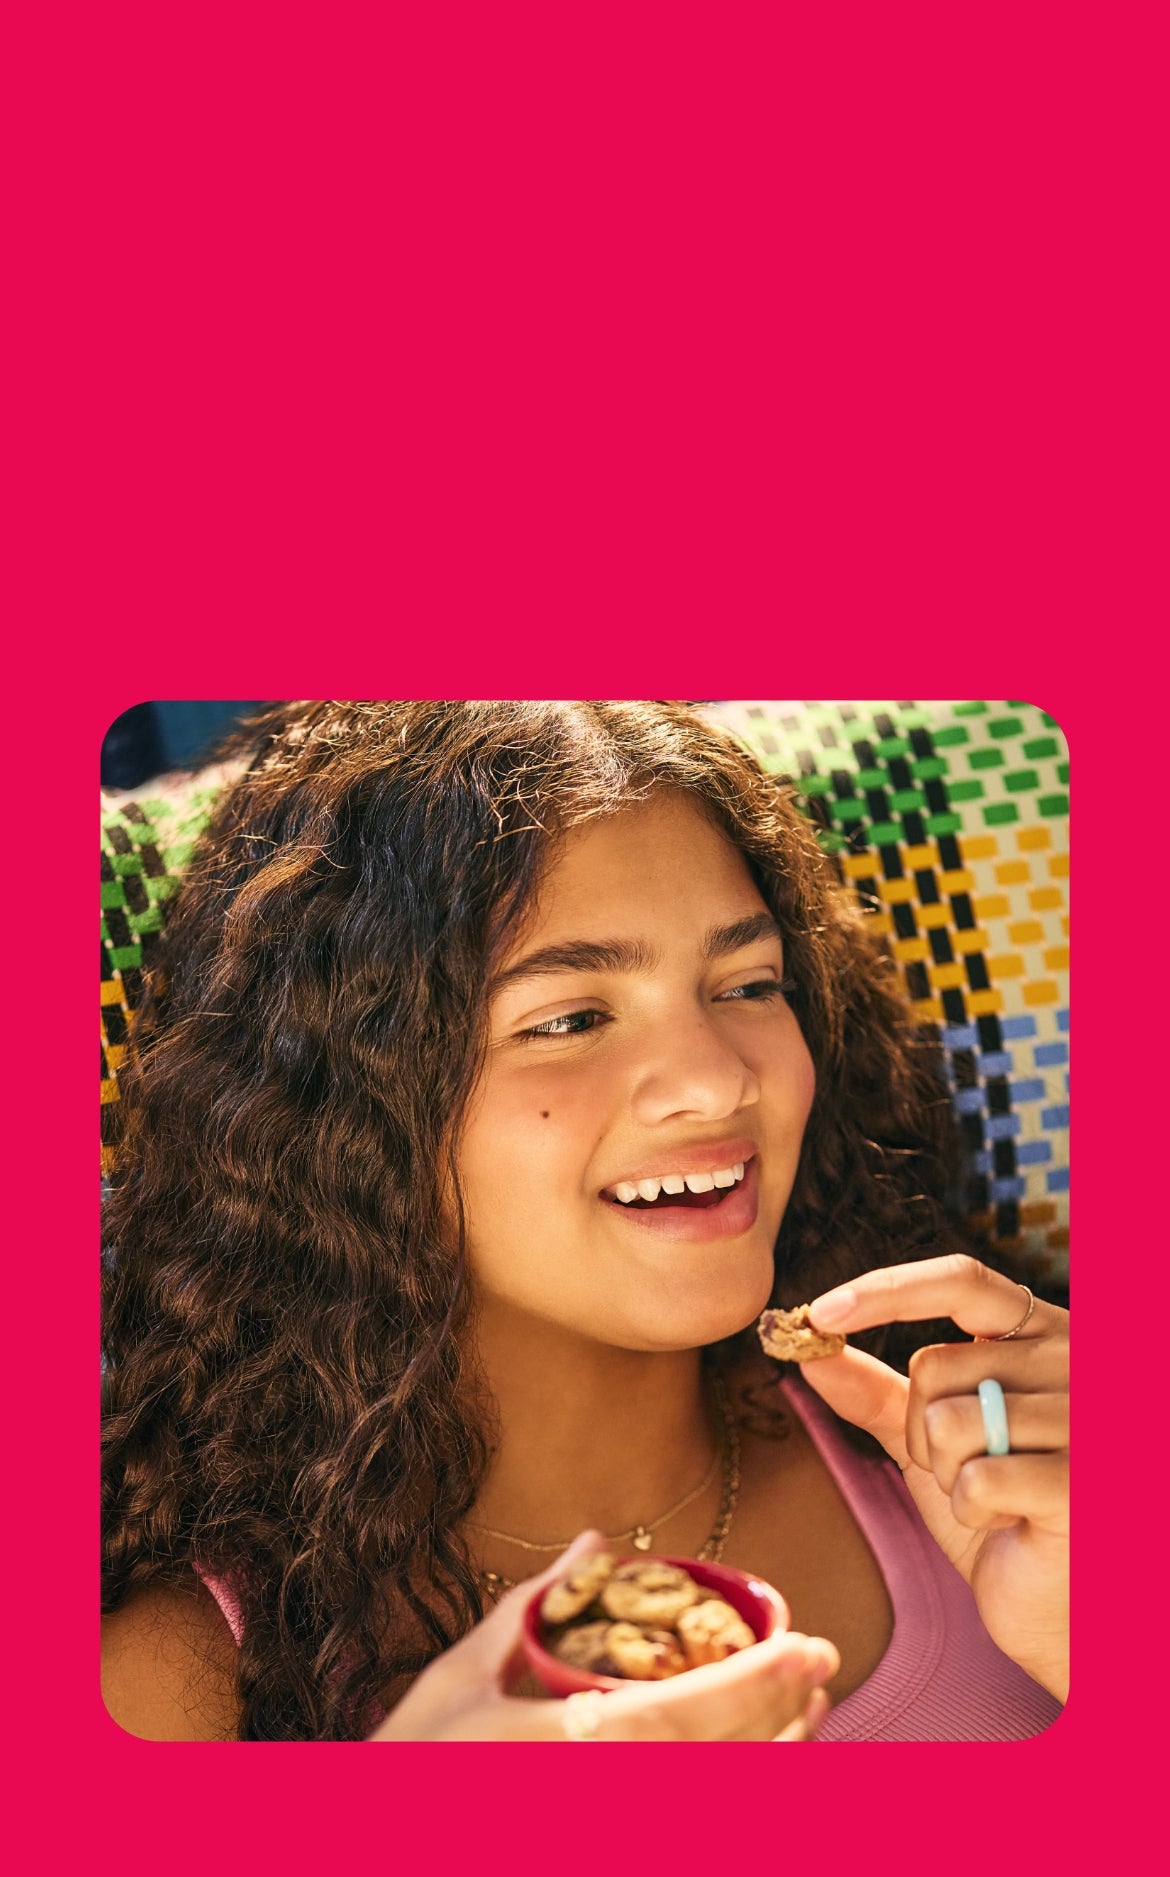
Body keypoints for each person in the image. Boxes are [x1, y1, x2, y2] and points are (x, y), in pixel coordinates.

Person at [100, 700, 1068, 1741]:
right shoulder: (177, 1687)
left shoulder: (1019, 1460)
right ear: (345, 1107)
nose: (712, 1081)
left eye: (748, 983)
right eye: (568, 1019)